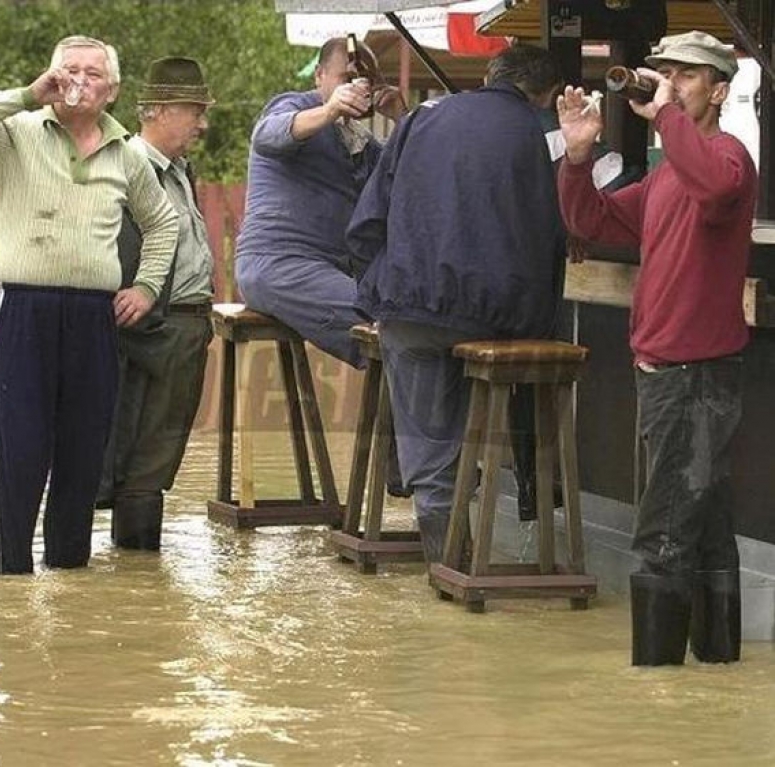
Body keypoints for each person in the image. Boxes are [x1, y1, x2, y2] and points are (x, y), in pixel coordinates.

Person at [556, 31, 757, 665]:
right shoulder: (672, 173)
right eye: (665, 72)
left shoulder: (726, 159)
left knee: (663, 532)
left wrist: (666, 115)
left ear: (719, 91)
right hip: (672, 372)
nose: (670, 83)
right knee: (705, 531)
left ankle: (656, 689)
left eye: (687, 76)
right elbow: (591, 222)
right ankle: (715, 675)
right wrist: (579, 157)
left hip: (695, 375)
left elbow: (718, 189)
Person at [0, 36, 179, 575]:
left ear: (112, 89)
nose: (78, 80)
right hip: (23, 312)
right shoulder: (15, 134)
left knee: (82, 457)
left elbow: (162, 222)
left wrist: (145, 286)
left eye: (92, 73)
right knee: (18, 454)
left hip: (94, 317)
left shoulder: (128, 153)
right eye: (67, 70)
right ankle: (10, 586)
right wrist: (28, 95)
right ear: (50, 78)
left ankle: (70, 582)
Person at [346, 44, 567, 565]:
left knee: (429, 439)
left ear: (490, 76)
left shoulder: (422, 118)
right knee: (486, 405)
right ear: (545, 95)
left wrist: (379, 288)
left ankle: (445, 561)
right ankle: (495, 527)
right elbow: (546, 241)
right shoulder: (531, 135)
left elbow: (365, 223)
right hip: (493, 319)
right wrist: (538, 324)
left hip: (410, 309)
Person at [97, 57, 215, 551]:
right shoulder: (130, 168)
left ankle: (130, 587)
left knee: (144, 458)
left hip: (177, 325)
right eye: (195, 111)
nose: (203, 123)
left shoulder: (178, 169)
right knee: (144, 459)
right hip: (156, 327)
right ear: (160, 111)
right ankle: (137, 574)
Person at [234, 36, 406, 370]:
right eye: (347, 78)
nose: (359, 87)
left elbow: (410, 174)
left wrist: (402, 117)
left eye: (367, 81)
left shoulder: (360, 141)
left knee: (408, 317)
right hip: (276, 264)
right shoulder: (293, 106)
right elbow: (267, 136)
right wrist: (330, 109)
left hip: (327, 270)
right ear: (319, 76)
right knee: (388, 321)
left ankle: (397, 419)